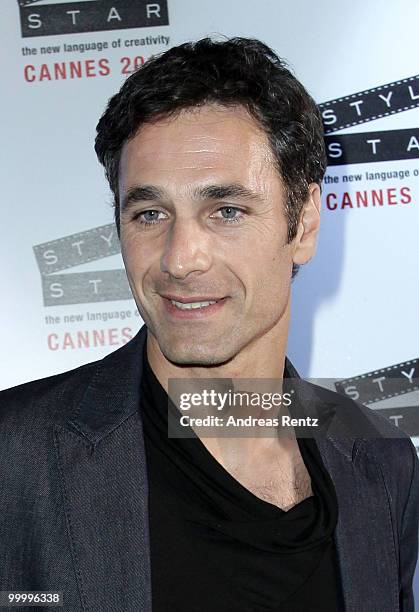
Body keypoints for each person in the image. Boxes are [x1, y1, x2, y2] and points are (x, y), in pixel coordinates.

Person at [0, 37, 418, 612]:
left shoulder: (381, 461)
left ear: (304, 224)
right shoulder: (16, 455)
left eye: (226, 211)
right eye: (150, 214)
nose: (179, 258)